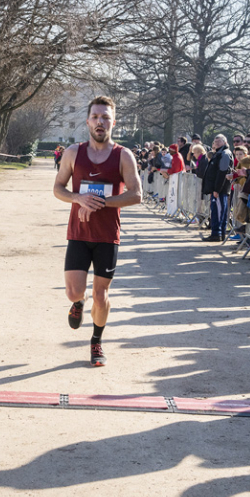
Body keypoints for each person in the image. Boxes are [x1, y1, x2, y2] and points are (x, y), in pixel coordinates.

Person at [54, 96, 142, 367]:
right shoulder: (73, 153)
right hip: (79, 232)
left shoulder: (123, 155)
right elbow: (58, 188)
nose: (100, 122)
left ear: (113, 122)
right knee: (73, 292)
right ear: (87, 121)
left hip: (106, 235)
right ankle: (78, 304)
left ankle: (96, 342)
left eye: (105, 118)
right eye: (95, 117)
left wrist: (101, 202)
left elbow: (136, 195)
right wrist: (79, 198)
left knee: (101, 296)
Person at [201, 134, 232, 242]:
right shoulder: (219, 153)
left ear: (224, 142)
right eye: (215, 141)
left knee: (218, 212)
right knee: (216, 211)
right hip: (216, 189)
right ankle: (217, 233)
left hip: (220, 190)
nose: (217, 143)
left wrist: (217, 189)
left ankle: (217, 233)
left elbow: (222, 172)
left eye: (219, 141)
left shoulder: (224, 154)